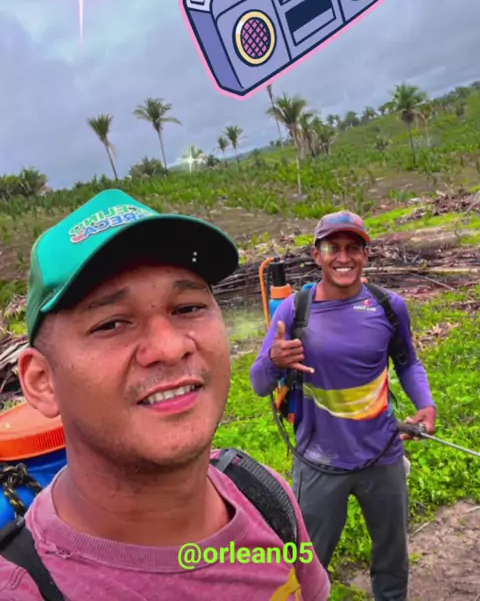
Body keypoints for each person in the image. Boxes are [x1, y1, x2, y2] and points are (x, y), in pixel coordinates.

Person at [0, 189, 330, 601]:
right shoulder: (24, 590)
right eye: (111, 324)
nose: (171, 348)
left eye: (187, 307)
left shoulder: (265, 497)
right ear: (42, 381)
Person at [250, 210, 437, 601]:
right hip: (319, 463)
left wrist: (426, 404)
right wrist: (274, 360)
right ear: (316, 255)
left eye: (353, 248)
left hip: (383, 457)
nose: (343, 257)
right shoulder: (294, 310)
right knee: (307, 565)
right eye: (332, 247)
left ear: (366, 255)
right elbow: (258, 384)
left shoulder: (389, 306)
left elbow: (408, 363)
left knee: (393, 558)